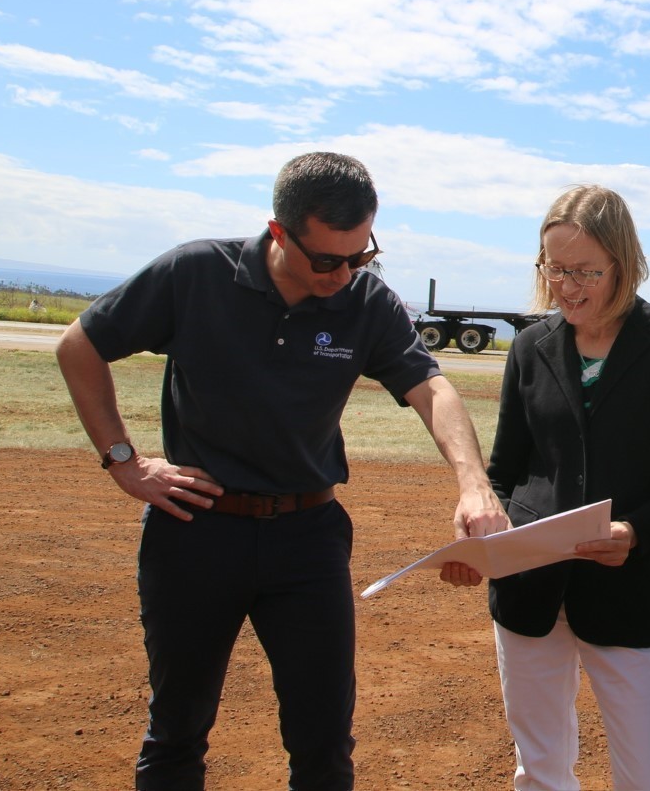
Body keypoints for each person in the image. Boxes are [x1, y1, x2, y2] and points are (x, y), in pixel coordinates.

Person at [56, 151, 508, 791]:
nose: (343, 274)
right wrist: (124, 460)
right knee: (177, 731)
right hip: (195, 531)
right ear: (279, 233)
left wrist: (473, 483)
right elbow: (79, 345)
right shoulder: (195, 274)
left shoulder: (366, 301)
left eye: (360, 257)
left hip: (308, 539)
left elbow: (430, 388)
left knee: (324, 743)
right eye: (326, 259)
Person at [441, 184, 650, 791]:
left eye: (585, 271)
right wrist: (479, 526)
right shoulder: (532, 348)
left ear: (624, 263)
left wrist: (634, 532)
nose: (566, 286)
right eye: (554, 268)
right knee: (539, 769)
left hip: (627, 592)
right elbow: (504, 471)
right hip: (529, 592)